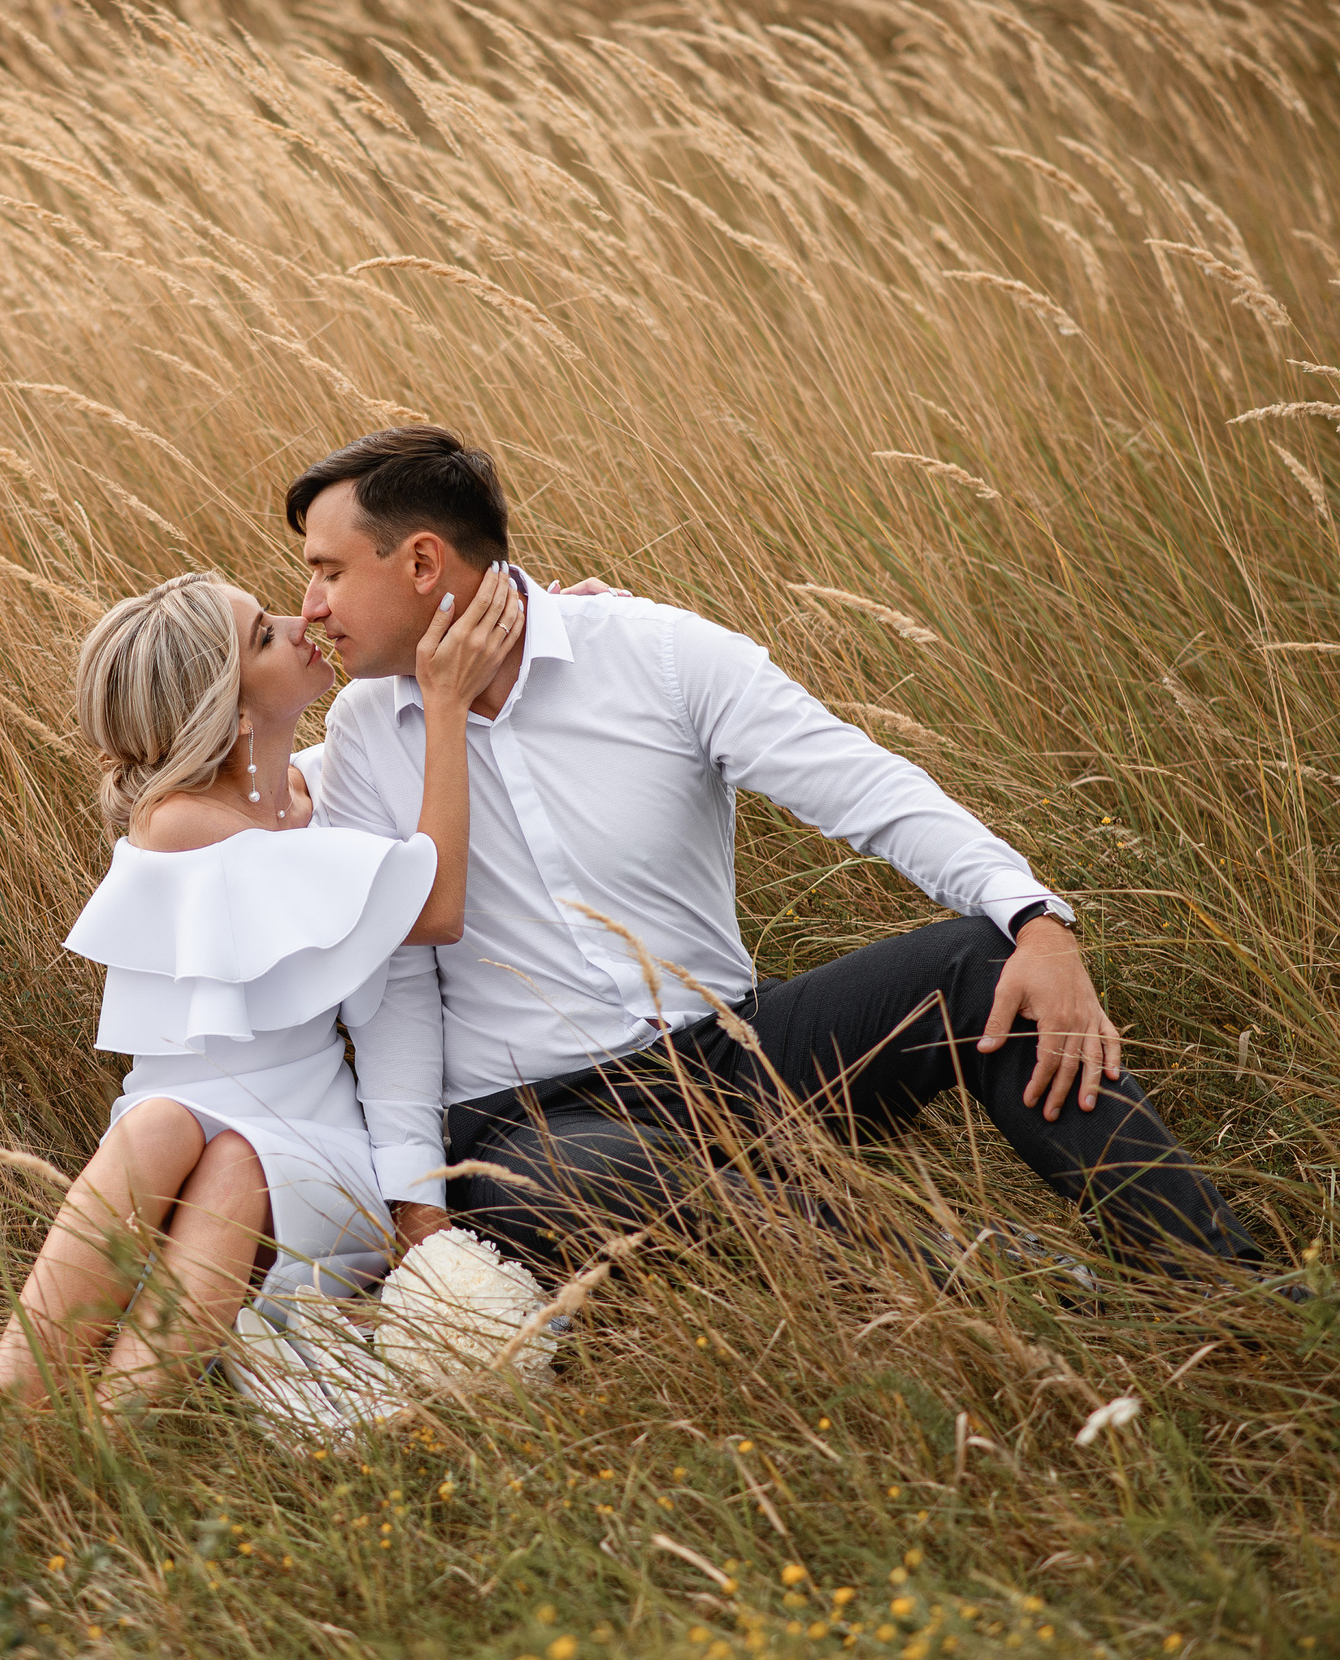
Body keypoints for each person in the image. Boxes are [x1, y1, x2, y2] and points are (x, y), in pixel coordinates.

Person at [294, 425, 1269, 1279]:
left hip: (729, 1055)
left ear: (422, 563)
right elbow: (396, 988)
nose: (310, 607)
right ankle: (1018, 1289)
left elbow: (864, 786)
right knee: (599, 1178)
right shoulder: (363, 736)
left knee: (984, 959)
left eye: (328, 571)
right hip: (529, 1122)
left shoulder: (655, 653)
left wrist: (1037, 918)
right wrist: (419, 1205)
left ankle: (1221, 1280)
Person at [0, 565, 527, 1406]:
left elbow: (369, 798)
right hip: (176, 1140)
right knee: (163, 1121)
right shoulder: (180, 821)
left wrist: (545, 615)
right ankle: (9, 1418)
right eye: (264, 635)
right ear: (234, 711)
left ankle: (108, 1435)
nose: (301, 619)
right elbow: (434, 904)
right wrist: (445, 705)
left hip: (320, 1147)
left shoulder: (312, 793)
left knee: (237, 1156)